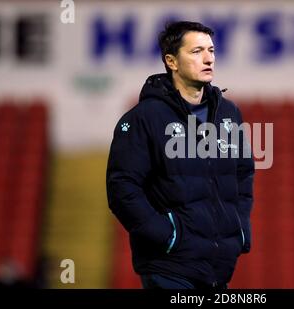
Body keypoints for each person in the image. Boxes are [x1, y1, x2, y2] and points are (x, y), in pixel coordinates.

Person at [106, 21, 254, 289]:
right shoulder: (144, 118)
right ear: (171, 61)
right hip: (169, 268)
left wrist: (240, 229)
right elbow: (122, 189)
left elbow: (243, 175)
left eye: (211, 49)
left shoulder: (229, 114)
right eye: (196, 51)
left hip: (218, 269)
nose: (208, 58)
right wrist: (168, 236)